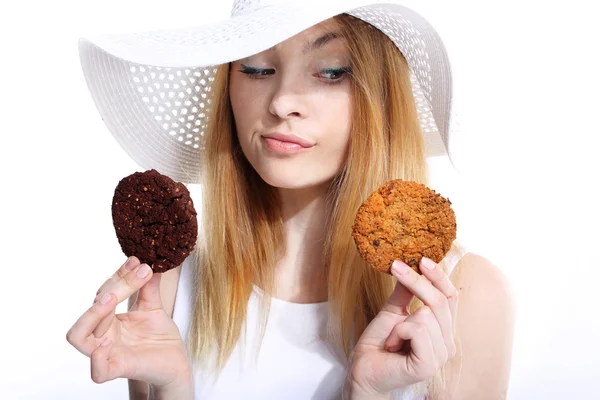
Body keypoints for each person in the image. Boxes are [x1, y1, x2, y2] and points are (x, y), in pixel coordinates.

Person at [67, 0, 515, 398]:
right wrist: (171, 389)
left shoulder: (466, 296)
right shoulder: (167, 287)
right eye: (258, 68)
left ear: (381, 96)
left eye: (332, 70)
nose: (282, 102)